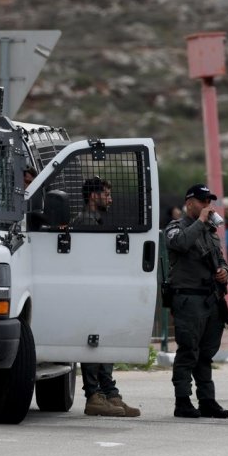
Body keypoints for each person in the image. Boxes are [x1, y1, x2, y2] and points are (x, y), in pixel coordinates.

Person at [72, 176, 139, 418]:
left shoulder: (96, 221)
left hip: (99, 292)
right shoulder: (85, 222)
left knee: (103, 343)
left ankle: (109, 393)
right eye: (106, 194)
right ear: (93, 196)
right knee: (92, 345)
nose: (110, 199)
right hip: (90, 293)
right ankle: (94, 395)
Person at [165, 183, 228, 419]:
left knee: (206, 353)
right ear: (189, 202)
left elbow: (221, 259)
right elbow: (180, 243)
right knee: (188, 351)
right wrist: (201, 221)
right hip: (188, 298)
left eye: (209, 202)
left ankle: (207, 400)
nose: (207, 205)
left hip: (210, 299)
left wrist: (224, 271)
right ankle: (182, 400)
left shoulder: (209, 231)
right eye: (202, 201)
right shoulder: (177, 227)